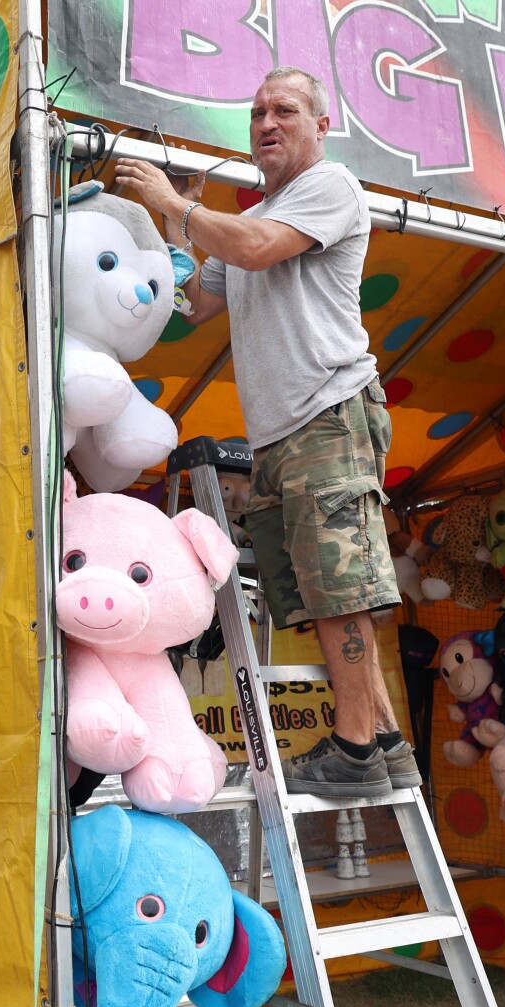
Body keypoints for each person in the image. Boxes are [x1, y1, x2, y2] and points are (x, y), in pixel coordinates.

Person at [113, 67, 419, 798]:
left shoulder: (330, 187)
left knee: (339, 588)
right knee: (316, 591)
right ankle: (381, 740)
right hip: (280, 434)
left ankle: (351, 753)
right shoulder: (253, 219)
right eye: (256, 113)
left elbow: (252, 248)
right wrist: (171, 226)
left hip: (329, 412)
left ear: (322, 124)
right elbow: (194, 303)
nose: (266, 123)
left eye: (284, 110)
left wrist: (171, 205)